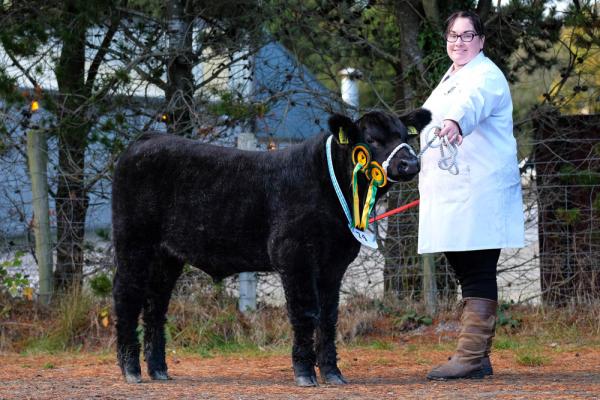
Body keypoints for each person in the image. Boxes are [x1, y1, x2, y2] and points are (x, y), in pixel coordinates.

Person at [417, 10, 525, 380]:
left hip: (478, 191)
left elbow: (471, 104)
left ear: (481, 40)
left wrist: (454, 122)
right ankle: (477, 355)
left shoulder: (485, 76)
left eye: (466, 35)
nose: (458, 42)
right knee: (467, 270)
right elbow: (429, 118)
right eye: (452, 35)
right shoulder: (452, 77)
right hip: (455, 192)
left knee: (476, 269)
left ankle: (470, 357)